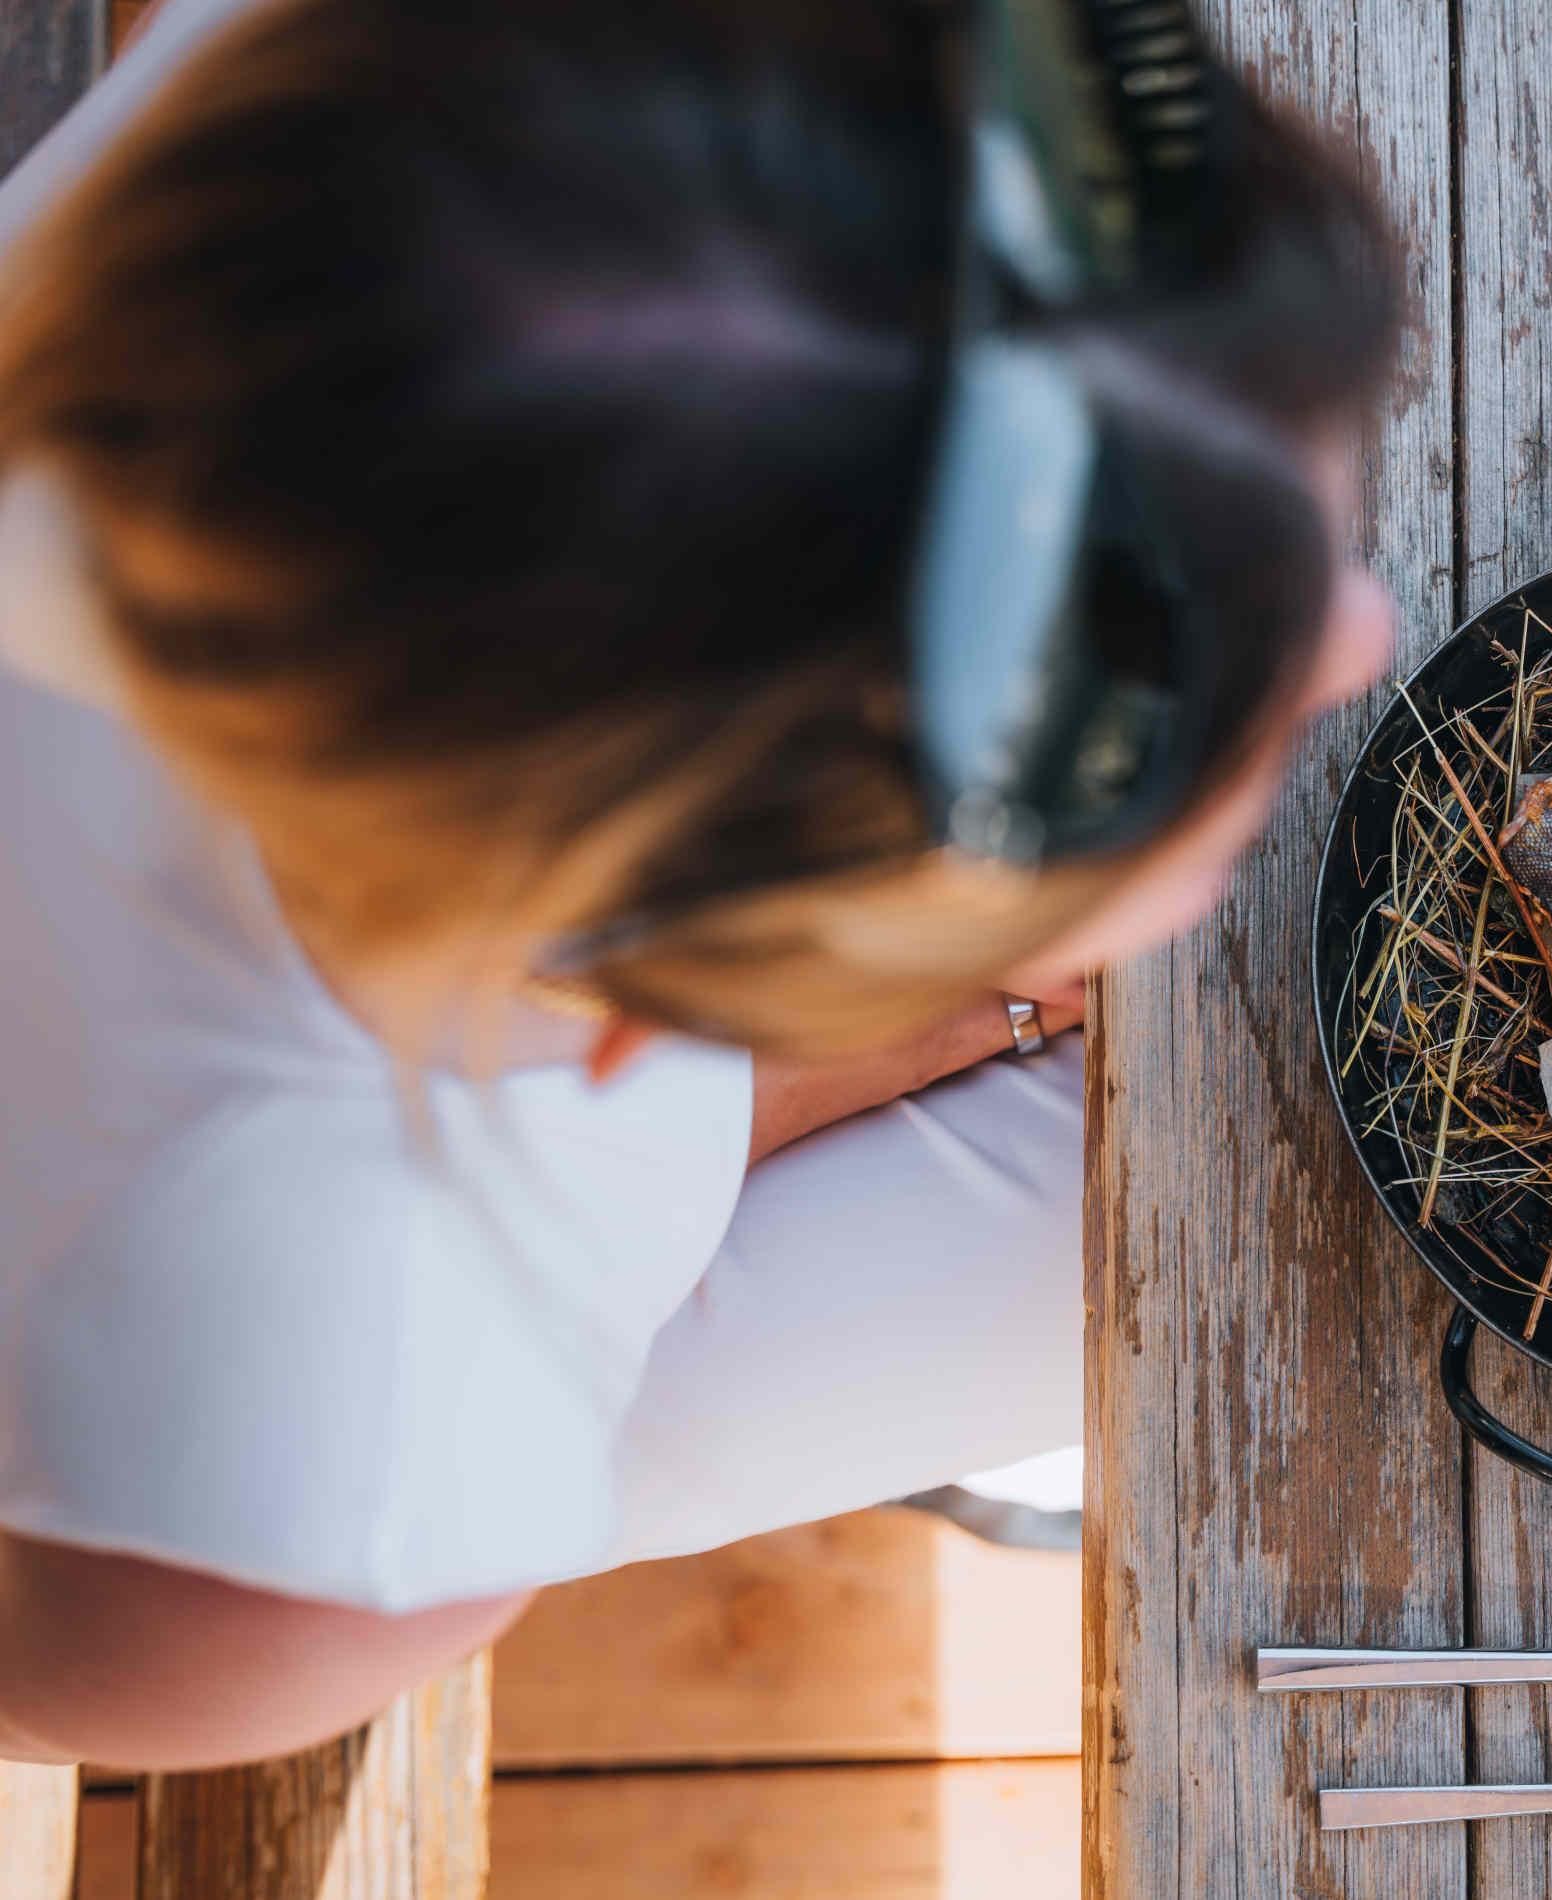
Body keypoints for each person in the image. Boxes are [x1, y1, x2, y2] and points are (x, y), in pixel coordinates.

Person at [0, 0, 1399, 1767]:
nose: (1365, 638)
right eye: (1199, 741)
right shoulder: (308, 1535)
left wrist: (930, 1009)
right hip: (276, 1324)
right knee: (1257, 1201)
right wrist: (880, 1052)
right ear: (687, 995)